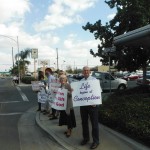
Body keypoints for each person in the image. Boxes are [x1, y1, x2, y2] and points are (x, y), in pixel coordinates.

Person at [80, 66, 101, 149]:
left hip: (93, 106)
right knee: (84, 123)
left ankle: (96, 141)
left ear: (90, 72)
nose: (86, 72)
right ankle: (86, 138)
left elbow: (98, 92)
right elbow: (79, 93)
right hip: (83, 105)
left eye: (87, 70)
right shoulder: (81, 81)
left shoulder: (94, 80)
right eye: (84, 70)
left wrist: (95, 102)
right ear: (83, 72)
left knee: (94, 124)